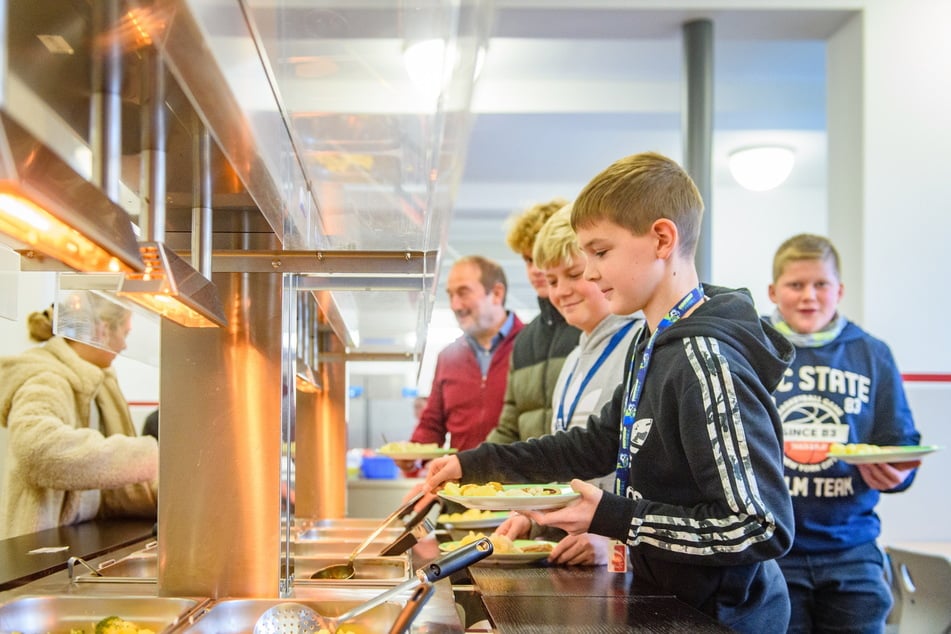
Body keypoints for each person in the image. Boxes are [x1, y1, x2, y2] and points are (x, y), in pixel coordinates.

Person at [417, 152, 796, 633]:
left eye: (600, 252)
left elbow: (759, 527)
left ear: (662, 239)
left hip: (724, 619)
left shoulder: (705, 358)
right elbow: (595, 443)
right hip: (667, 604)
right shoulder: (650, 341)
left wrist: (615, 517)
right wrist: (473, 463)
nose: (590, 273)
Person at [766, 233, 921, 634]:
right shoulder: (752, 350)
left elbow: (903, 443)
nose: (809, 296)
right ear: (772, 291)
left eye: (821, 284)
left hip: (852, 554)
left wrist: (899, 474)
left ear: (840, 290)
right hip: (773, 550)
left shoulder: (873, 353)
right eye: (795, 285)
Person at [495, 203, 643, 566]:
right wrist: (533, 513)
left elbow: (647, 477)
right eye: (551, 281)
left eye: (574, 274)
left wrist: (612, 542)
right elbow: (571, 460)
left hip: (625, 561)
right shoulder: (576, 357)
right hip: (577, 553)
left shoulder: (639, 344)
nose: (560, 292)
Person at [0, 296, 158, 539]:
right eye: (125, 333)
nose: (124, 346)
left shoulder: (100, 384)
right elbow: (37, 451)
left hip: (78, 538)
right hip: (36, 552)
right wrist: (148, 454)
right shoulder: (46, 378)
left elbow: (105, 487)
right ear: (102, 329)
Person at [404, 255, 524, 457]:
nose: (455, 305)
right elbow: (432, 424)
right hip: (464, 485)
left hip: (522, 485)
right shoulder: (447, 357)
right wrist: (413, 453)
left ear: (496, 293)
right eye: (450, 295)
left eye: (463, 293)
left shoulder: (531, 346)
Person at [485, 198, 580, 444]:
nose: (536, 270)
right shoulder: (525, 340)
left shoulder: (593, 328)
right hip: (534, 482)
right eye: (528, 259)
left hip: (583, 480)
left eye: (543, 256)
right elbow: (509, 429)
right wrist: (467, 466)